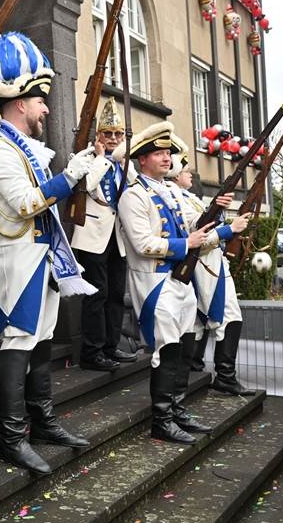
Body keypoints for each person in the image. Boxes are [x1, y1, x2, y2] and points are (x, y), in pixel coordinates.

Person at [0, 32, 95, 475]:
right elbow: (26, 203)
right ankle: (12, 439)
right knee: (18, 342)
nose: (46, 108)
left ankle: (42, 422)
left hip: (40, 256)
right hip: (17, 258)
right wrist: (69, 177)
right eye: (40, 100)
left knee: (41, 340)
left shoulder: (23, 148)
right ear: (19, 103)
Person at [118, 121, 218, 444]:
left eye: (168, 153)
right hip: (154, 282)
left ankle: (176, 408)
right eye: (159, 153)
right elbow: (142, 243)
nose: (166, 158)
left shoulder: (173, 192)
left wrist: (215, 213)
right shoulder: (133, 196)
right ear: (142, 159)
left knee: (185, 346)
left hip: (180, 281)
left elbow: (190, 225)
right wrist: (184, 245)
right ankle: (161, 419)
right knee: (167, 347)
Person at [167, 151, 254, 398]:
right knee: (227, 315)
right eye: (184, 171)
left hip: (212, 261)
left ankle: (195, 367)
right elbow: (195, 239)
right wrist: (229, 230)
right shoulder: (179, 200)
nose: (189, 174)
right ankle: (224, 376)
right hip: (204, 264)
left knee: (200, 319)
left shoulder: (188, 198)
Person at [70, 97, 138, 372]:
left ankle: (111, 347)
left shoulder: (124, 162)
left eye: (117, 134)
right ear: (98, 135)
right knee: (96, 296)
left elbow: (134, 187)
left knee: (115, 295)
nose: (112, 138)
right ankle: (92, 351)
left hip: (117, 237)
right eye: (107, 134)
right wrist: (100, 158)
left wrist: (123, 159)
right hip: (92, 235)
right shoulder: (85, 157)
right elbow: (85, 185)